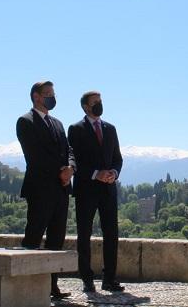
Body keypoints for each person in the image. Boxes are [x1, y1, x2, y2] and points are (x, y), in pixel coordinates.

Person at [17, 81, 75, 299]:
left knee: (56, 238)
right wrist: (59, 172)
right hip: (40, 188)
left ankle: (52, 286)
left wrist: (70, 168)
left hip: (61, 190)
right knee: (34, 235)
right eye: (48, 94)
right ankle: (27, 286)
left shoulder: (58, 123)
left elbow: (69, 150)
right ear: (36, 97)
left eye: (53, 93)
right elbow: (34, 155)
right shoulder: (25, 121)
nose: (52, 97)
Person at [68, 91, 124, 293]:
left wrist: (114, 173)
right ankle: (87, 279)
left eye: (100, 101)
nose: (99, 105)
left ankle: (109, 278)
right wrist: (95, 174)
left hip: (108, 190)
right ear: (85, 107)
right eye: (95, 102)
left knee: (112, 234)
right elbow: (74, 161)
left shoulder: (110, 129)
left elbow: (118, 158)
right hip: (86, 190)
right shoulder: (76, 129)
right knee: (84, 234)